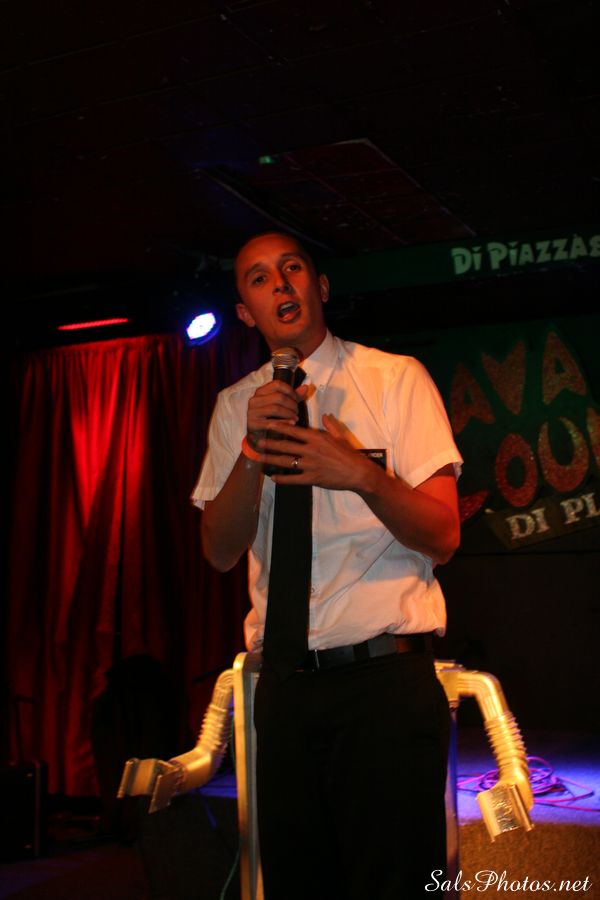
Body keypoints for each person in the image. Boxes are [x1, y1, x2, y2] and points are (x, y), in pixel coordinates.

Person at [191, 231, 462, 899]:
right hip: (283, 688)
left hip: (383, 684)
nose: (280, 284)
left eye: (292, 269)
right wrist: (252, 450)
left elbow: (444, 535)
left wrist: (362, 476)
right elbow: (218, 551)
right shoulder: (234, 407)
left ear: (321, 286)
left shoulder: (395, 379)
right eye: (259, 278)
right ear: (246, 311)